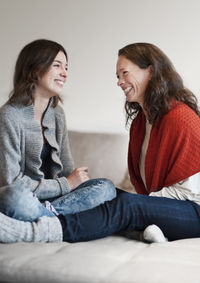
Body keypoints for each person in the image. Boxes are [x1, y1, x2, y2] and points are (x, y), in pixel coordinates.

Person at [0, 42, 200, 244]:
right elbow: (17, 182)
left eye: (124, 73)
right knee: (110, 193)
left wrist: (140, 204)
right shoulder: (141, 123)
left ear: (150, 71)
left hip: (192, 209)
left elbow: (188, 192)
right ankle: (54, 215)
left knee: (118, 200)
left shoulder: (181, 118)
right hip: (35, 197)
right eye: (118, 76)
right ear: (35, 68)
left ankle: (30, 231)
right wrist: (69, 185)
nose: (119, 82)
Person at [0, 39, 116, 225]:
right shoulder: (9, 115)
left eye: (66, 67)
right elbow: (11, 183)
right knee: (13, 198)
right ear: (35, 69)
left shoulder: (57, 114)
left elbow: (67, 169)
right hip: (23, 199)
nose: (64, 73)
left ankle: (48, 217)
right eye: (57, 65)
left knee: (106, 187)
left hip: (54, 200)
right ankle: (66, 221)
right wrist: (67, 184)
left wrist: (77, 183)